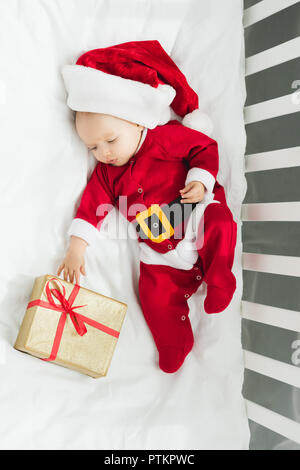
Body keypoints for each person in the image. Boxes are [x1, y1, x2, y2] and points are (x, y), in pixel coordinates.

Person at [57, 40, 237, 373]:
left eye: (110, 140)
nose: (104, 153)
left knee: (220, 223)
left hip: (193, 213)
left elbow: (204, 147)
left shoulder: (165, 138)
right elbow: (89, 209)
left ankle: (220, 277)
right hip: (158, 249)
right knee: (154, 296)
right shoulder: (107, 175)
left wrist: (201, 180)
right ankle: (174, 342)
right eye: (92, 146)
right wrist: (76, 249)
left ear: (138, 121)